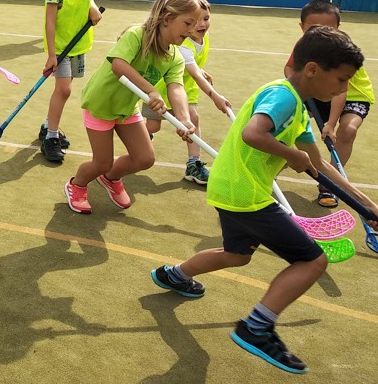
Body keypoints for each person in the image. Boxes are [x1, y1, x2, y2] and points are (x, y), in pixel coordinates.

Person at [150, 26, 378, 375]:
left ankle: (173, 275)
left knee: (236, 256)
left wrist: (368, 206)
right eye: (342, 79)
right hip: (247, 194)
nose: (344, 89)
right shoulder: (283, 97)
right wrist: (291, 154)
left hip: (233, 188)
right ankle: (256, 327)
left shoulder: (297, 107)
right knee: (312, 261)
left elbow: (319, 164)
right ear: (313, 69)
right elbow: (252, 133)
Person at [64, 0, 201, 214]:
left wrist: (184, 119)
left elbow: (176, 88)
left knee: (144, 158)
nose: (192, 30)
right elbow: (119, 65)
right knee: (102, 162)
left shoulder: (175, 57)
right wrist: (151, 91)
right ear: (168, 18)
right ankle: (76, 185)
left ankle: (110, 178)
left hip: (126, 108)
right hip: (101, 104)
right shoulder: (137, 35)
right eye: (188, 23)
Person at [283, 0, 374, 207]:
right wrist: (297, 88)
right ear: (302, 27)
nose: (321, 32)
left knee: (347, 130)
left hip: (352, 95)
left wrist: (331, 124)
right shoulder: (305, 45)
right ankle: (277, 162)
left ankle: (330, 184)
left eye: (329, 28)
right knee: (286, 121)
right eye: (314, 28)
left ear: (338, 28)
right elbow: (290, 69)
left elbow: (341, 90)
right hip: (320, 91)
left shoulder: (340, 49)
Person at [143, 0, 231, 185]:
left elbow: (193, 68)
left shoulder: (204, 38)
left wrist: (200, 70)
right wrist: (215, 96)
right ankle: (139, 136)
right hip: (163, 89)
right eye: (194, 21)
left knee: (193, 118)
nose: (201, 24)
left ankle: (194, 163)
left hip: (186, 89)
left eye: (206, 19)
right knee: (153, 126)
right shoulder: (184, 45)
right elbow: (195, 74)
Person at [39, 0, 104, 163]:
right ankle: (51, 137)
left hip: (79, 43)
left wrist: (92, 7)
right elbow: (50, 20)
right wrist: (51, 54)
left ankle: (47, 126)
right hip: (60, 47)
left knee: (67, 87)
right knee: (64, 90)